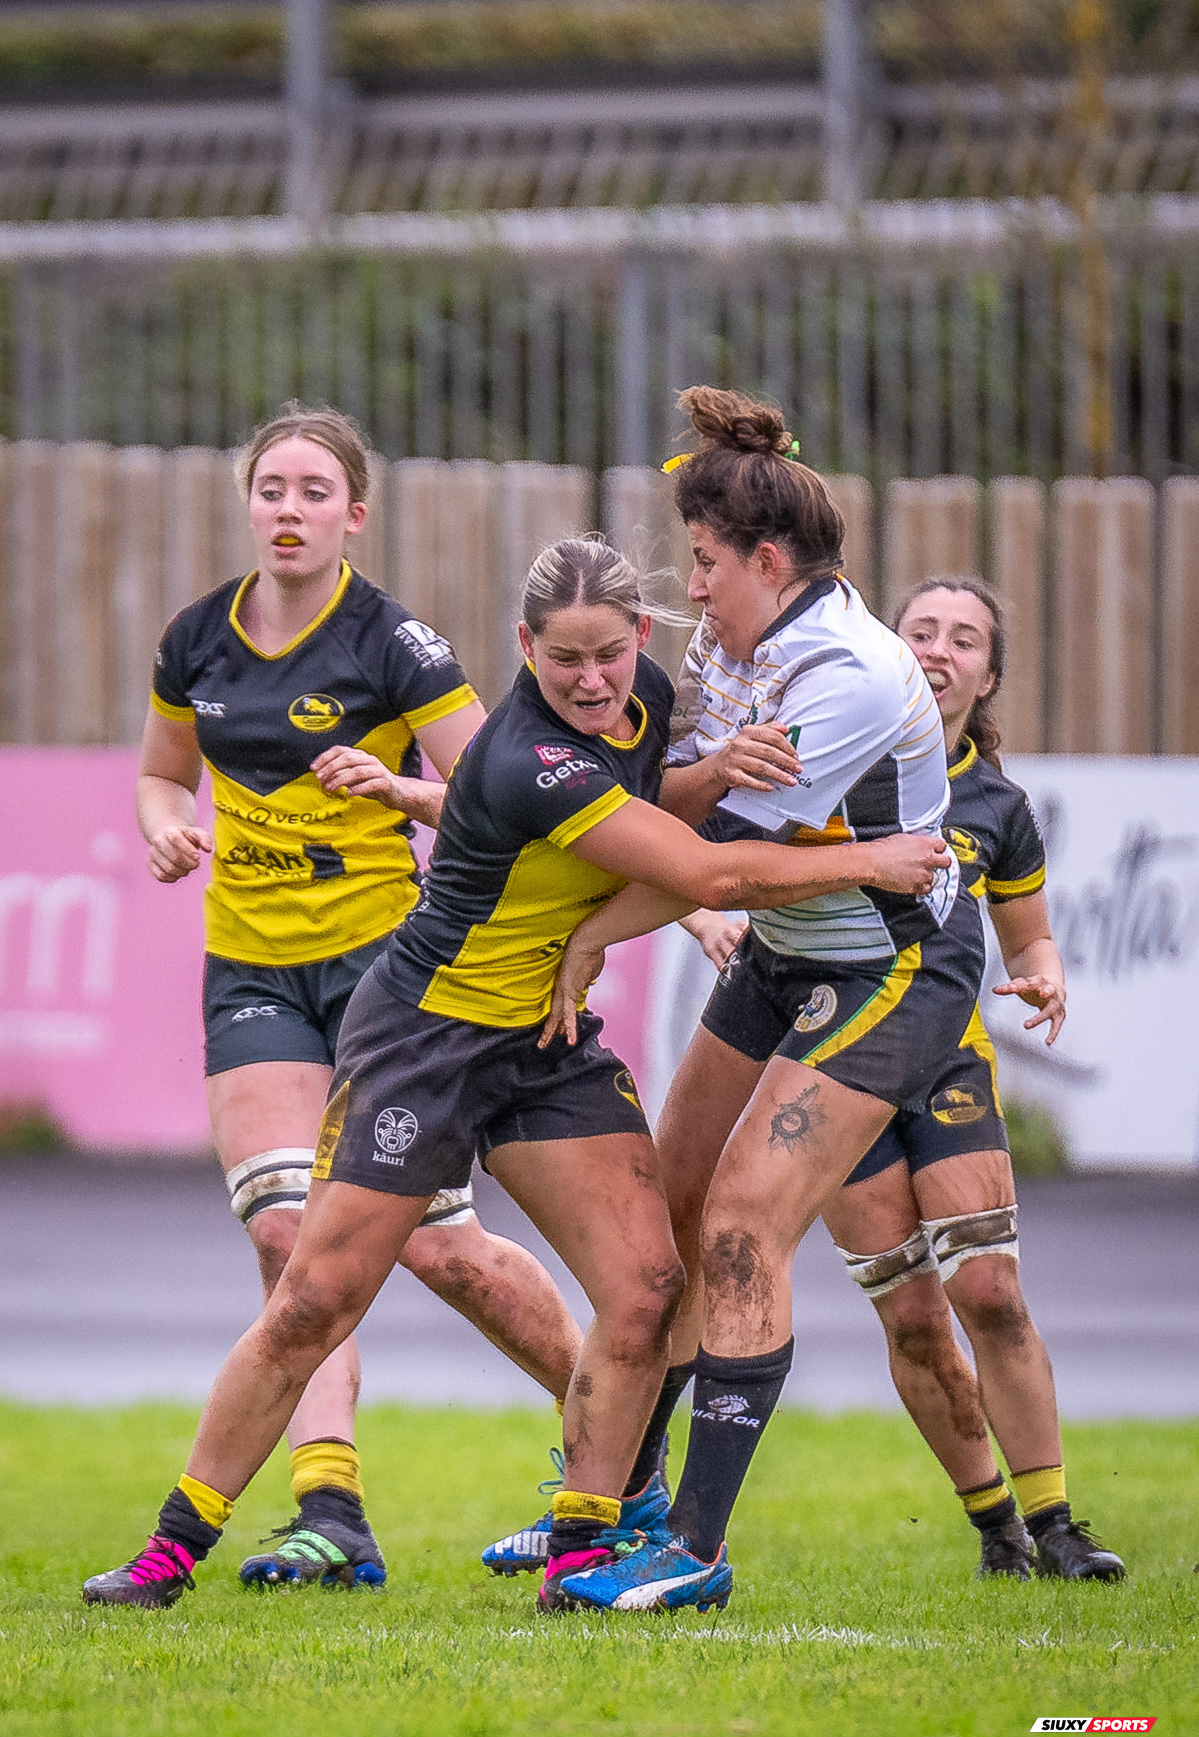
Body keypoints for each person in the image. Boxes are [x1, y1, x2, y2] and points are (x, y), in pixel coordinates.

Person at [83, 533, 949, 1614]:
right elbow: (706, 874)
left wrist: (711, 772)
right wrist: (870, 859)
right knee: (315, 1297)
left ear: (640, 637)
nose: (589, 681)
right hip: (427, 1038)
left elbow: (653, 804)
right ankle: (168, 1552)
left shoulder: (648, 702)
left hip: (545, 1040)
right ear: (523, 647)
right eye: (563, 659)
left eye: (608, 655)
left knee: (646, 1289)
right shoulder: (527, 756)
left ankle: (582, 1551)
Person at [528, 388, 996, 1615]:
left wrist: (587, 937)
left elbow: (716, 865)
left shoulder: (845, 672)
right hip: (788, 947)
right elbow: (667, 799)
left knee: (740, 1226)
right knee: (669, 1209)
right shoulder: (731, 645)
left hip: (887, 965)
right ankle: (621, 1504)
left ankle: (693, 1547)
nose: (691, 587)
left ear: (767, 562)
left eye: (703, 562)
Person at [121, 402, 584, 1595]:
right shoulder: (194, 640)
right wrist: (167, 827)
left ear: (354, 514)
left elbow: (499, 790)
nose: (289, 510)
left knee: (440, 1249)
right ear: (248, 503)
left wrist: (398, 791)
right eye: (271, 488)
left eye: (313, 491)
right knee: (288, 1236)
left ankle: (619, 1437)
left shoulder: (397, 644)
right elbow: (163, 775)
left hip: (390, 978)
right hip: (252, 972)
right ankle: (330, 1511)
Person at [819, 576, 1124, 1581]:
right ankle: (995, 1526)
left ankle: (1057, 1526)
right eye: (920, 631)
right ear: (887, 650)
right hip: (825, 1068)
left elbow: (1029, 937)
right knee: (910, 1316)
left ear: (986, 676)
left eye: (963, 639)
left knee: (987, 1289)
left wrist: (1044, 974)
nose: (938, 650)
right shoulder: (829, 765)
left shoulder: (996, 804)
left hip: (946, 1061)